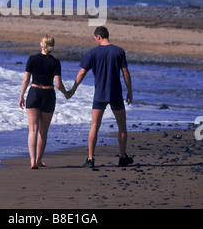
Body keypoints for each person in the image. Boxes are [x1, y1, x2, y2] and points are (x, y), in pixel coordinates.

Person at [68, 26, 134, 168]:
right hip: (115, 93)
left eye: (95, 39)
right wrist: (130, 91)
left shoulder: (93, 52)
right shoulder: (118, 51)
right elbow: (126, 73)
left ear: (98, 37)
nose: (95, 41)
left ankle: (91, 159)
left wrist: (73, 89)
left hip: (99, 94)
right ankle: (122, 157)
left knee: (94, 126)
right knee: (121, 126)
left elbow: (81, 73)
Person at [19, 35, 70, 169]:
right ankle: (39, 160)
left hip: (34, 93)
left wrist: (21, 96)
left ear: (41, 44)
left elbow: (25, 80)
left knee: (32, 130)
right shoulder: (55, 62)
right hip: (48, 95)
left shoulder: (32, 59)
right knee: (43, 131)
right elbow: (58, 84)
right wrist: (66, 93)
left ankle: (32, 161)